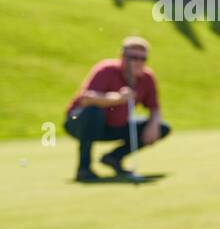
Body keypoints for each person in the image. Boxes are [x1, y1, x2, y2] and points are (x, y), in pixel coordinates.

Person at [64, 36, 170, 182]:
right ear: (122, 57)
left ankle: (113, 158)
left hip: (115, 125)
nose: (138, 62)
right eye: (133, 57)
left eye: (143, 58)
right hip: (79, 123)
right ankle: (84, 168)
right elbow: (86, 99)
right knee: (93, 112)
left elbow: (155, 108)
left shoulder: (147, 77)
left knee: (161, 127)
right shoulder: (106, 69)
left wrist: (153, 124)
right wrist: (117, 98)